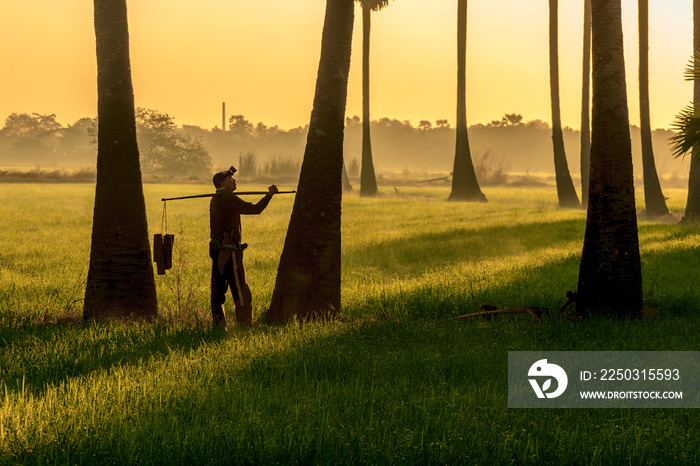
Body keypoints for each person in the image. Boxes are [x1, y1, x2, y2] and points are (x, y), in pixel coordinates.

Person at [209, 166, 278, 329]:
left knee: (218, 289)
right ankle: (244, 327)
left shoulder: (217, 199)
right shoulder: (228, 199)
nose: (234, 181)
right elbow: (255, 209)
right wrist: (269, 195)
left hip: (217, 249)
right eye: (230, 179)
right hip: (229, 251)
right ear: (222, 184)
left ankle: (218, 326)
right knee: (241, 289)